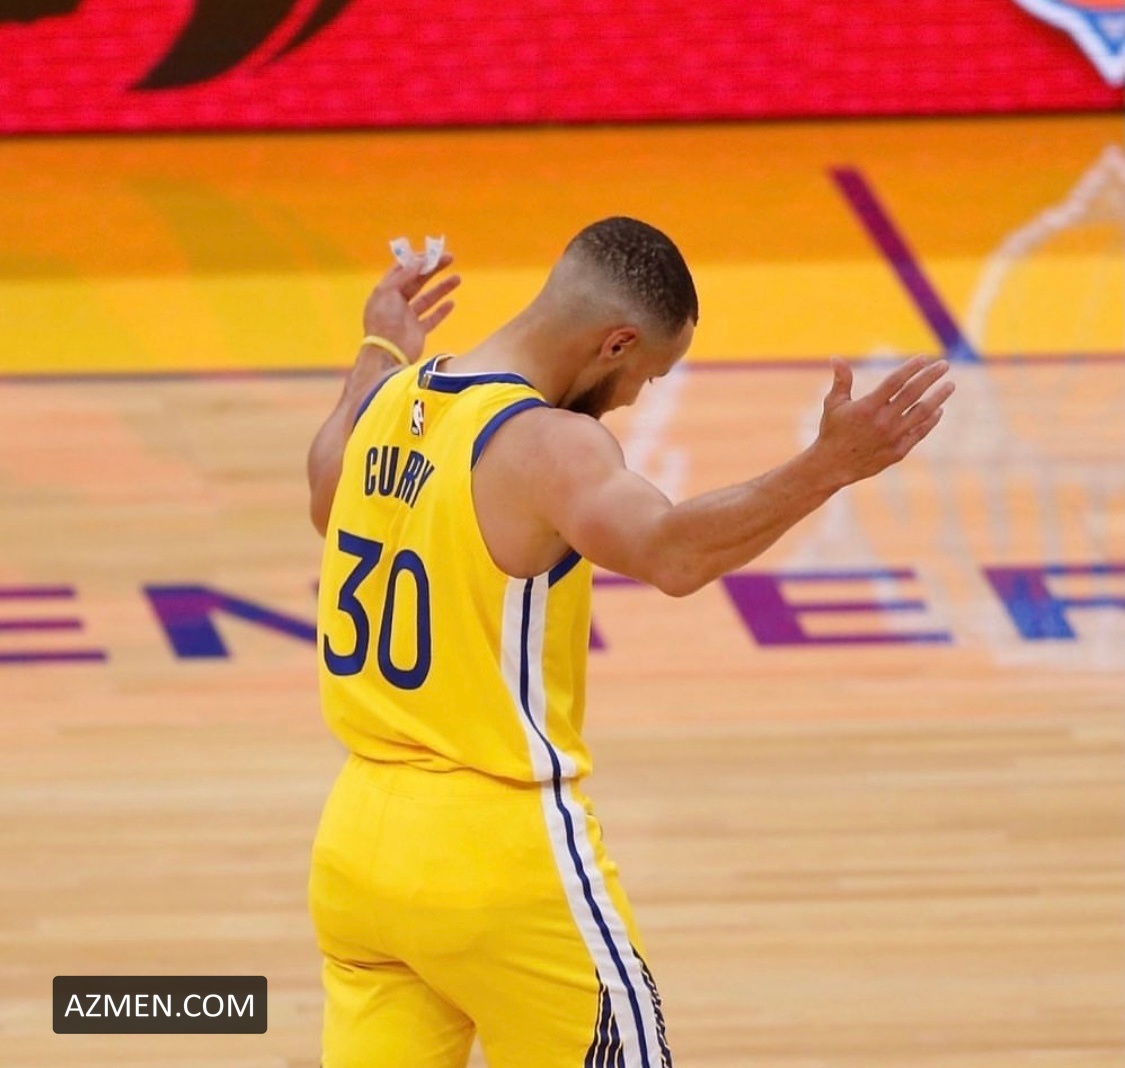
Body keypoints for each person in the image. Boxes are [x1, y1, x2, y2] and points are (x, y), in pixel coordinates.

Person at [306, 217, 955, 1068]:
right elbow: (672, 553)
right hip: (494, 850)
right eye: (647, 374)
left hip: (356, 848)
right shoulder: (548, 444)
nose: (633, 398)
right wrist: (828, 465)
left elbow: (326, 495)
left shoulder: (395, 397)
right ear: (615, 342)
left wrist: (379, 348)